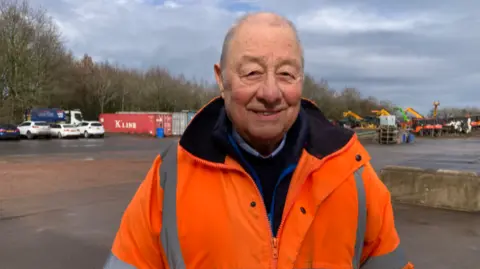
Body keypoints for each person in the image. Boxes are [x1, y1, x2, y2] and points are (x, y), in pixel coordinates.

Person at [104, 12, 414, 269]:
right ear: (220, 79)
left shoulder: (352, 174)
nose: (269, 93)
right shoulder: (169, 178)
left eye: (286, 74)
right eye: (251, 72)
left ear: (301, 80)